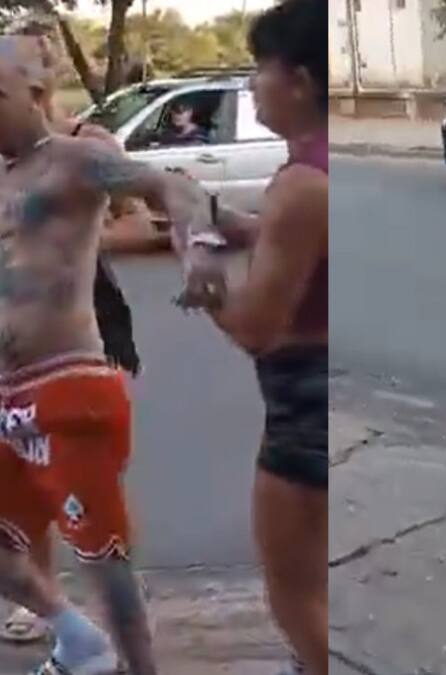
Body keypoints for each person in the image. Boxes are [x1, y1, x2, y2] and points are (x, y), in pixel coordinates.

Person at [0, 35, 213, 675]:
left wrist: (198, 252)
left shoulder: (80, 160)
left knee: (103, 554)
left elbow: (172, 189)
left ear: (38, 95)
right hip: (3, 394)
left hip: (69, 382)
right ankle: (79, 641)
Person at [175, 2, 327, 673]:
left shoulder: (302, 184)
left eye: (261, 66)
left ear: (300, 80)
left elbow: (256, 328)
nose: (251, 82)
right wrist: (219, 217)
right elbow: (297, 241)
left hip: (303, 400)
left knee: (296, 592)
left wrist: (200, 272)